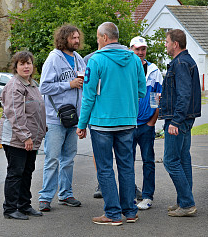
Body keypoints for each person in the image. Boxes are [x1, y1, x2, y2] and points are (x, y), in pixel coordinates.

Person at [76, 22, 146, 226]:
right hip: (127, 121)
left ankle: (113, 214)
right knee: (126, 166)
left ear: (105, 38)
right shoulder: (134, 59)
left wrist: (81, 124)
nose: (97, 40)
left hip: (101, 123)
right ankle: (130, 211)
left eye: (98, 37)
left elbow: (88, 96)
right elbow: (142, 91)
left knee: (105, 168)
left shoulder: (96, 60)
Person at [38, 24, 86, 212]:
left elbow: (84, 86)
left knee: (69, 158)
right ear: (64, 38)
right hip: (55, 118)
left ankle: (65, 194)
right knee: (52, 159)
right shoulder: (53, 59)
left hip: (74, 118)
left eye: (77, 37)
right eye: (73, 37)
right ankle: (45, 197)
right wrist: (69, 84)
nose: (77, 40)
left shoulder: (79, 59)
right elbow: (44, 87)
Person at [0, 51, 46, 220]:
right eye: (22, 64)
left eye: (29, 63)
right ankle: (10, 209)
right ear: (15, 67)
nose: (26, 66)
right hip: (16, 139)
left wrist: (42, 128)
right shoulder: (14, 86)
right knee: (16, 173)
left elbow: (37, 111)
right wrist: (26, 137)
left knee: (27, 172)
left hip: (31, 139)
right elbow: (15, 114)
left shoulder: (32, 84)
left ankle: (24, 205)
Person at [159, 29, 201, 217]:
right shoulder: (184, 61)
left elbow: (184, 94)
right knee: (183, 160)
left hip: (179, 119)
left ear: (175, 44)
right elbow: (181, 92)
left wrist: (175, 120)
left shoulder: (181, 63)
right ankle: (184, 201)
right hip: (184, 117)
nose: (165, 45)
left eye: (167, 42)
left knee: (170, 161)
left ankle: (186, 203)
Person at [130, 36, 163, 210]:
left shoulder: (154, 70)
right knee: (126, 161)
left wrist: (152, 121)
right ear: (131, 50)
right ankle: (129, 195)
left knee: (148, 161)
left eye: (143, 49)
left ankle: (147, 195)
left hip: (145, 125)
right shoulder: (126, 67)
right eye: (137, 49)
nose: (141, 52)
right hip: (127, 124)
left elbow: (156, 97)